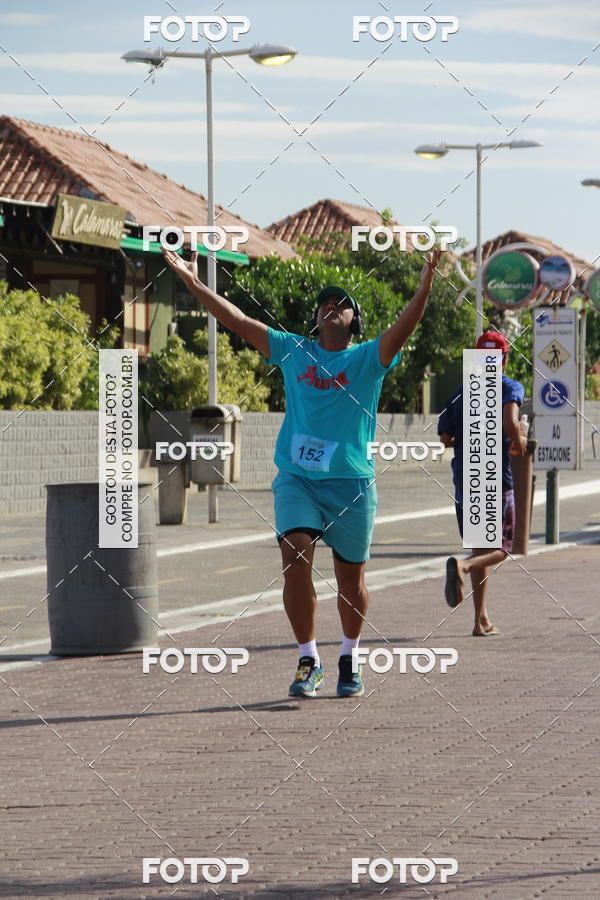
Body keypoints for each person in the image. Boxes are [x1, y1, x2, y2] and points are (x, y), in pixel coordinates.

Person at [161, 245, 442, 696]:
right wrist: (194, 283)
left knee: (351, 581)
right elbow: (235, 320)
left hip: (351, 483)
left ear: (355, 322)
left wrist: (425, 285)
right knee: (295, 552)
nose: (330, 308)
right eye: (324, 305)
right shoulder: (292, 350)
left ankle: (349, 653)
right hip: (297, 478)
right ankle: (308, 660)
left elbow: (404, 329)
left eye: (341, 305)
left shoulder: (368, 359)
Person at [438, 330, 526, 636]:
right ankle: (461, 567)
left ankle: (480, 620)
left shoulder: (462, 391)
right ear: (504, 359)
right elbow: (510, 422)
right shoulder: (508, 386)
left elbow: (445, 437)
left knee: (481, 547)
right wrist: (518, 441)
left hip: (466, 477)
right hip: (495, 478)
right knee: (503, 547)